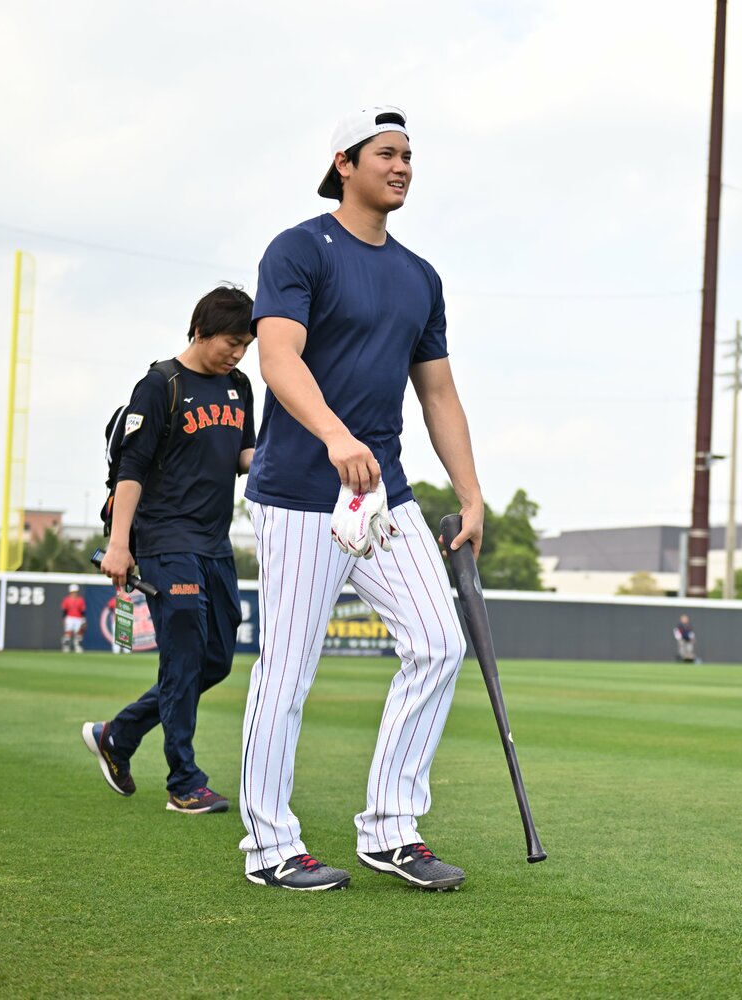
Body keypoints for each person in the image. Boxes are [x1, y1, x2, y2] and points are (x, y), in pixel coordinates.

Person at [236, 105, 484, 893]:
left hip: (386, 499)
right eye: (387, 152)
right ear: (345, 162)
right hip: (300, 493)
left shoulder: (420, 276)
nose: (403, 164)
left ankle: (390, 830)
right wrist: (337, 436)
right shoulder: (298, 249)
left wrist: (472, 495)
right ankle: (270, 848)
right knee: (288, 672)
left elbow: (439, 394)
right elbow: (277, 359)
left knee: (440, 644)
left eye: (410, 154)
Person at [80, 286, 257, 815]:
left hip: (215, 544)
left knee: (216, 660)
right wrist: (118, 547)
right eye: (231, 341)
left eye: (246, 344)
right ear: (200, 330)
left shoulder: (240, 385)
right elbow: (131, 471)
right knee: (182, 659)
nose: (238, 353)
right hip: (164, 542)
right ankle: (184, 780)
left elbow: (244, 453)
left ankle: (119, 733)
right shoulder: (160, 385)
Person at [60, 584, 86, 653]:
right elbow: (64, 611)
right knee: (68, 632)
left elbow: (83, 611)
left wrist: (84, 620)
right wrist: (64, 619)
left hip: (78, 618)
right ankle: (66, 647)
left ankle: (77, 647)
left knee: (78, 633)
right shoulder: (67, 600)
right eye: (73, 592)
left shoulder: (80, 600)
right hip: (70, 618)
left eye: (76, 591)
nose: (74, 593)